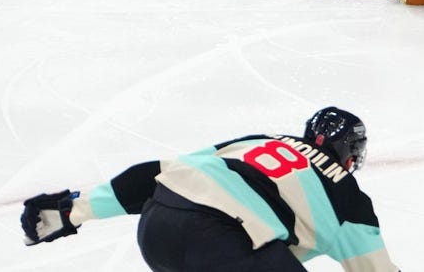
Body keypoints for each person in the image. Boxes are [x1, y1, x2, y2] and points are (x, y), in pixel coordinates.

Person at [20, 107, 401, 272]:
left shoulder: (259, 140)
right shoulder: (345, 192)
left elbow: (159, 172)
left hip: (157, 229)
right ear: (347, 153)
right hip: (221, 244)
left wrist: (73, 210)